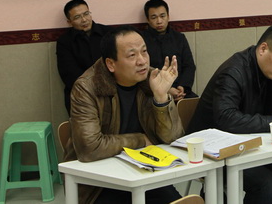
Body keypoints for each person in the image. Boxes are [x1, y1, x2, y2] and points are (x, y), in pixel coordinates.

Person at [64, 26, 184, 204]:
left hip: (145, 174)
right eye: (132, 55)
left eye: (144, 51)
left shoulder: (151, 79)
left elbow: (173, 138)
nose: (142, 61)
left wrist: (161, 98)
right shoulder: (87, 87)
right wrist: (140, 140)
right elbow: (89, 148)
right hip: (100, 183)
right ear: (111, 64)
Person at [188, 25, 272, 204]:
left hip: (248, 144)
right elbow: (226, 119)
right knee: (266, 183)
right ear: (263, 49)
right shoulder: (233, 72)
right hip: (214, 149)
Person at [56, 0, 110, 114]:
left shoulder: (108, 33)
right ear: (69, 22)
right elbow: (69, 74)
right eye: (77, 17)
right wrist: (92, 88)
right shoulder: (64, 41)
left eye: (86, 14)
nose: (84, 19)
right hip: (80, 94)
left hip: (110, 90)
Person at [142, 0, 197, 101]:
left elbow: (189, 66)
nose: (159, 21)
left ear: (168, 16)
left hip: (180, 90)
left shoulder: (179, 38)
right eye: (154, 17)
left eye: (162, 16)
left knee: (199, 105)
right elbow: (143, 70)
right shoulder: (142, 40)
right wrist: (167, 89)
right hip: (153, 92)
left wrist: (182, 87)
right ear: (148, 20)